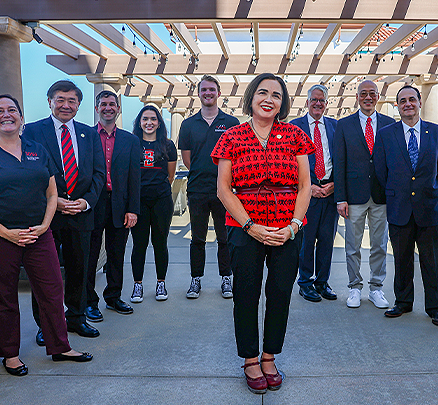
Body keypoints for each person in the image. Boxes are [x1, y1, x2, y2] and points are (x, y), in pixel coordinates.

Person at [0, 95, 92, 376]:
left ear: (22, 118)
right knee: (3, 297)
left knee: (52, 290)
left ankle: (60, 346)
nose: (6, 115)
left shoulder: (37, 150)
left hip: (38, 233)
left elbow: (51, 193)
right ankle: (10, 355)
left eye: (12, 110)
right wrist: (6, 233)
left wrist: (45, 225)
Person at [212, 73, 313, 394]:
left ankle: (269, 356)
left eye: (277, 95)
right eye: (263, 92)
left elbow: (305, 185)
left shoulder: (295, 135)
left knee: (281, 292)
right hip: (245, 227)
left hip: (287, 227)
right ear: (251, 97)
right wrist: (250, 226)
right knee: (245, 294)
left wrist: (294, 226)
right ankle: (250, 359)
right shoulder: (231, 137)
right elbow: (224, 189)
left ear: (282, 103)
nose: (269, 99)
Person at [23, 80, 106, 341]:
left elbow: (99, 174)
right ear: (50, 102)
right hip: (45, 215)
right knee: (44, 273)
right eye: (60, 100)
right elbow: (28, 173)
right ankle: (46, 325)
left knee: (79, 270)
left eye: (72, 101)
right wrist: (54, 201)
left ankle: (77, 319)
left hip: (81, 213)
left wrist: (86, 201)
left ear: (79, 105)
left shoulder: (89, 134)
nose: (66, 105)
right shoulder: (33, 132)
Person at [373, 85, 438, 327]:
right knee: (402, 259)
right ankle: (403, 302)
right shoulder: (386, 134)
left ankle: (435, 307)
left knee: (433, 261)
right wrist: (399, 191)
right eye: (402, 100)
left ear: (419, 103)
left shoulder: (437, 133)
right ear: (397, 106)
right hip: (400, 207)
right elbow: (381, 171)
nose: (408, 104)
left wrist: (426, 189)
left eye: (412, 99)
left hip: (429, 207)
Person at [333, 80, 395, 309]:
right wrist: (341, 197)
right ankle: (354, 287)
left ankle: (376, 288)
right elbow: (339, 163)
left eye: (372, 93)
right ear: (357, 97)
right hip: (354, 196)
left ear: (378, 96)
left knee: (379, 244)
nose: (367, 97)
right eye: (363, 94)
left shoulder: (389, 124)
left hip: (381, 196)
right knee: (352, 245)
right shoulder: (344, 125)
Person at [178, 75, 240, 299]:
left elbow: (236, 157)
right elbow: (187, 159)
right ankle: (196, 280)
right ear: (198, 94)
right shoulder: (187, 124)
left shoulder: (231, 124)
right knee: (198, 238)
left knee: (225, 238)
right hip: (197, 190)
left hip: (226, 192)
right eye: (204, 90)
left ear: (219, 93)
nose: (208, 93)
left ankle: (226, 279)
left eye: (212, 90)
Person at [85, 90, 141, 319]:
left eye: (112, 104)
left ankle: (113, 297)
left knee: (116, 254)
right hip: (92, 204)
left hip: (120, 204)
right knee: (90, 254)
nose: (108, 108)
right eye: (103, 104)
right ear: (96, 108)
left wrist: (133, 209)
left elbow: (134, 177)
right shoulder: (85, 136)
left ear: (118, 109)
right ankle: (89, 301)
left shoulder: (131, 140)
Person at [289, 84, 339, 302]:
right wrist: (307, 187)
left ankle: (322, 282)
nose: (318, 103)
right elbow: (288, 163)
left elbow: (342, 159)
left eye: (322, 100)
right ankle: (305, 282)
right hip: (305, 192)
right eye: (314, 100)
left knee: (327, 240)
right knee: (306, 241)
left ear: (326, 104)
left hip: (330, 191)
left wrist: (335, 184)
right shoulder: (294, 127)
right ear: (307, 102)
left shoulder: (336, 127)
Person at [130, 105, 177, 301]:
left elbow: (170, 176)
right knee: (139, 244)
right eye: (145, 119)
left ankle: (161, 284)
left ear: (159, 123)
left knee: (160, 243)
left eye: (153, 119)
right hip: (138, 201)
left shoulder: (167, 145)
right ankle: (137, 285)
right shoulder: (133, 144)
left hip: (161, 201)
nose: (149, 122)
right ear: (139, 123)